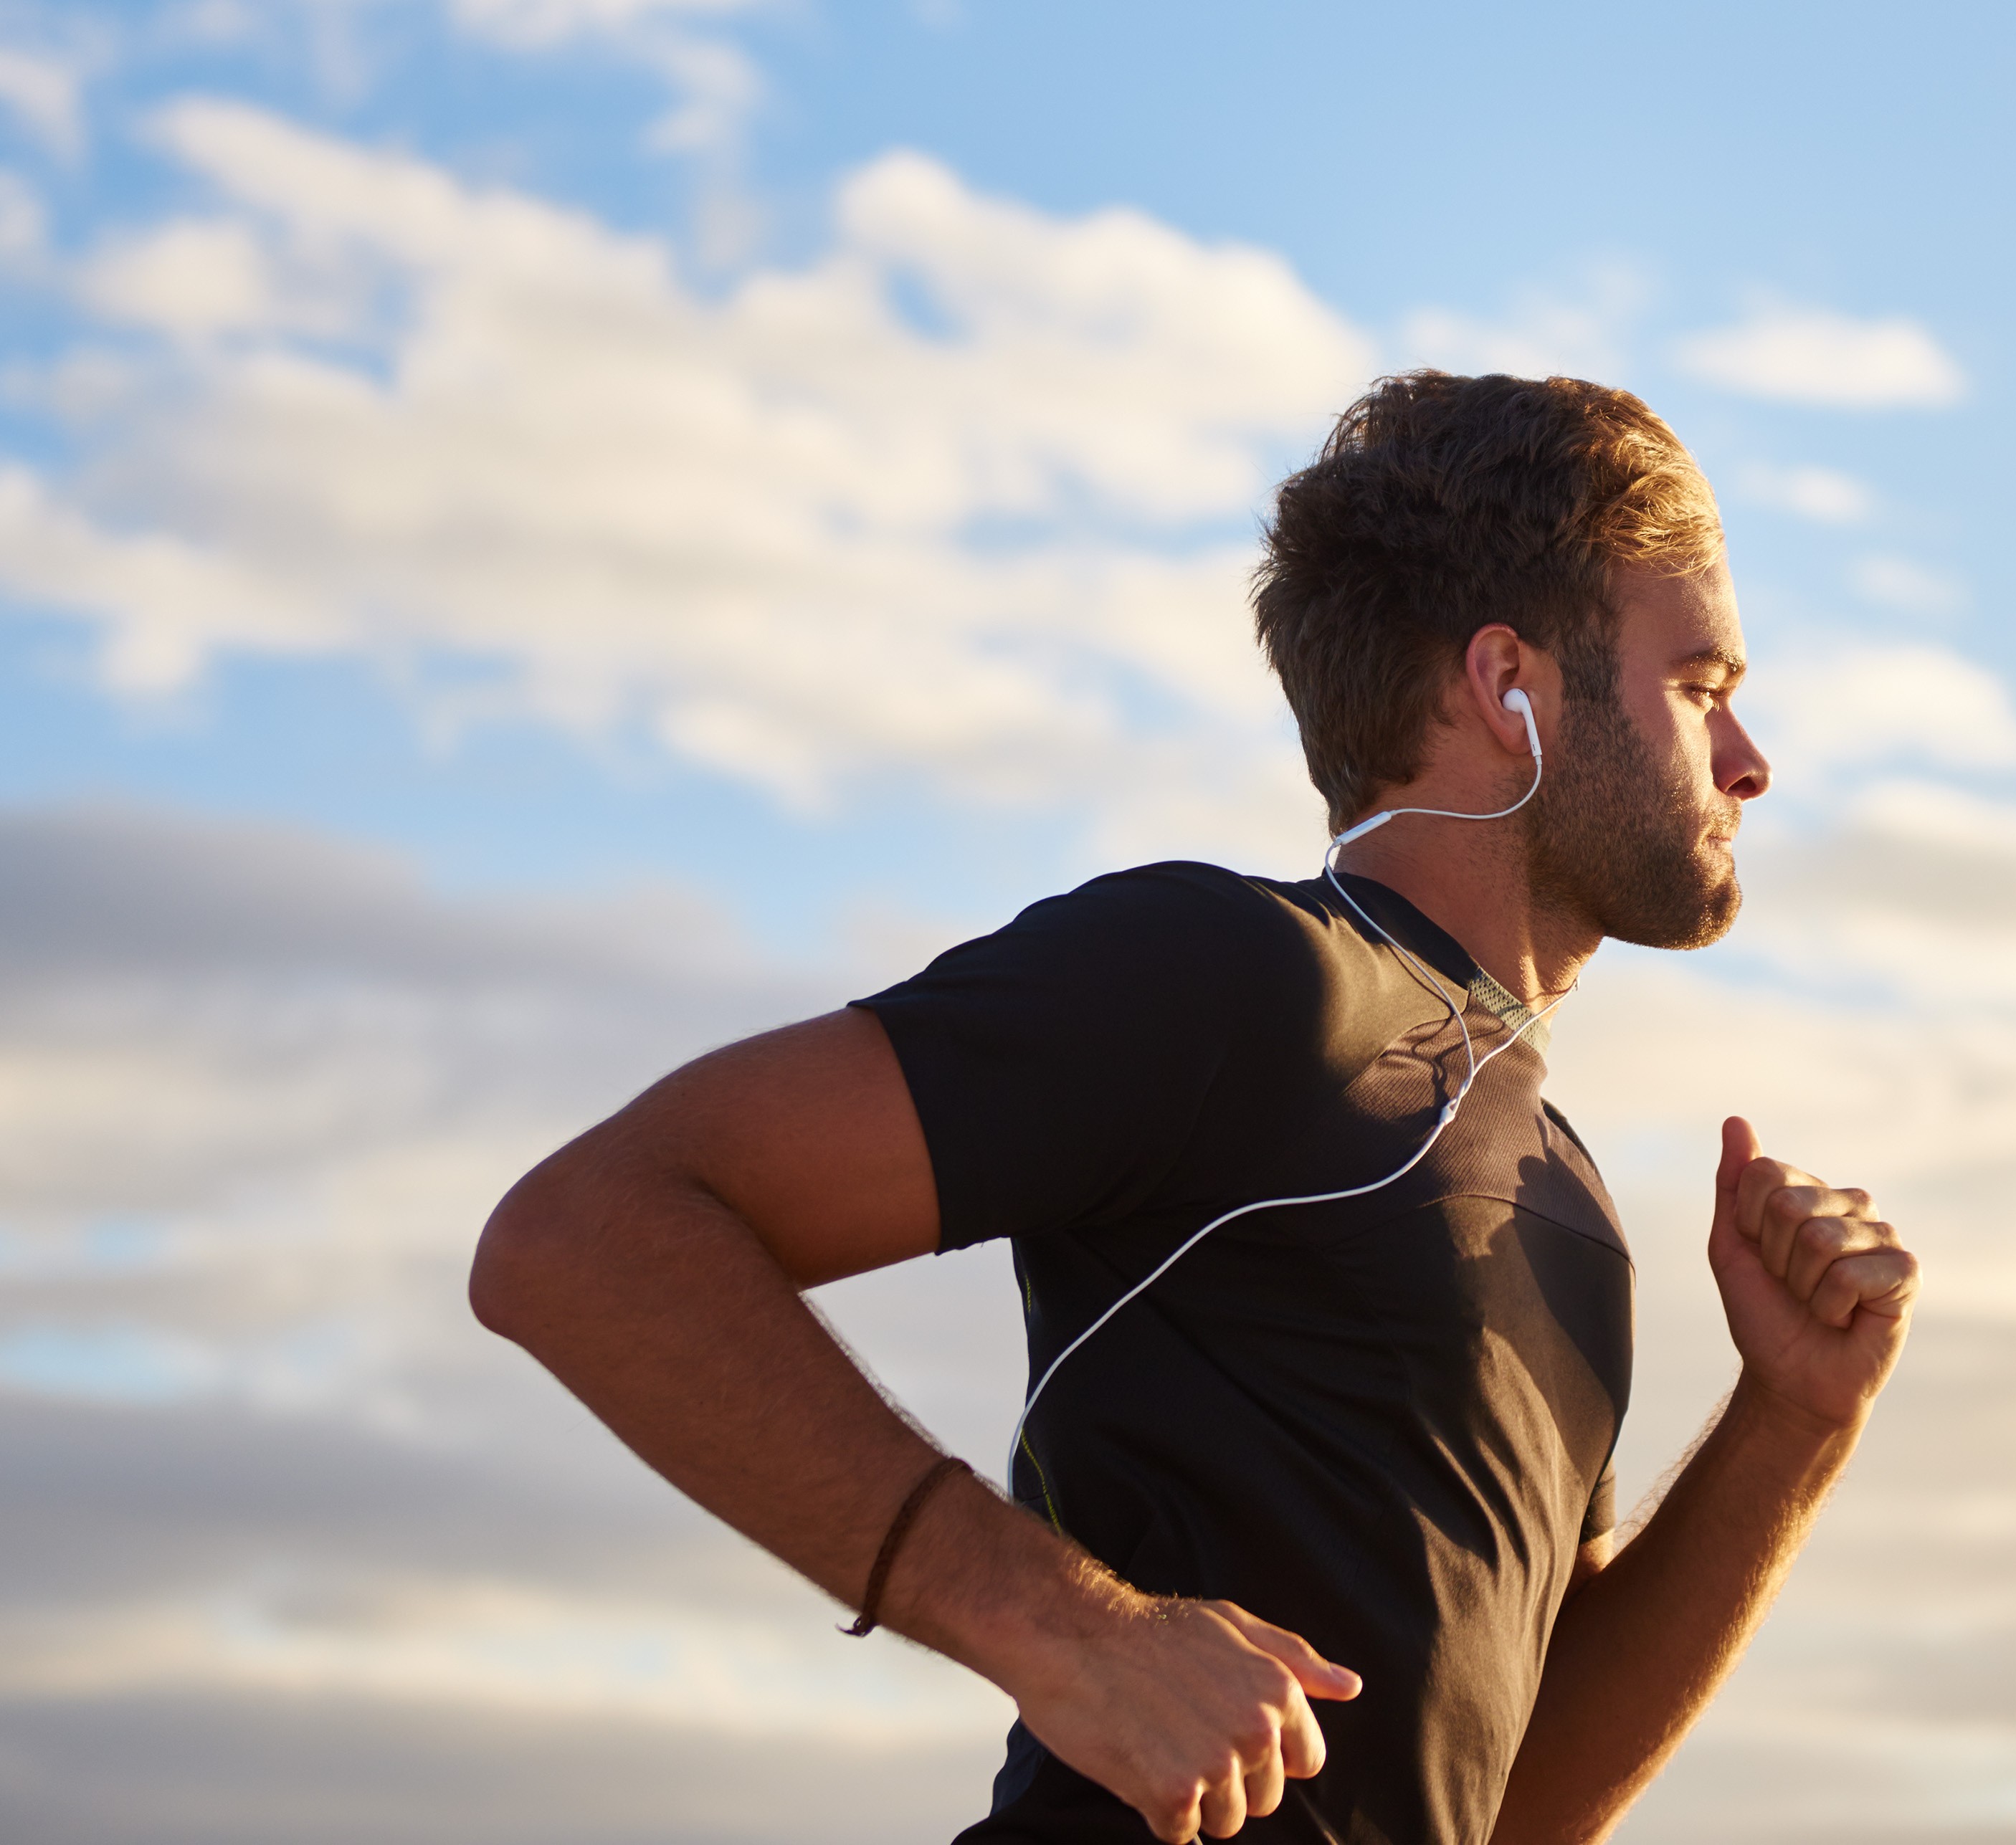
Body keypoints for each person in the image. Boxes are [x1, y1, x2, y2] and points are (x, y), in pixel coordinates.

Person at [470, 371, 1922, 1845]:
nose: (1747, 761)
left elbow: (1509, 1803)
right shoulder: (1251, 978)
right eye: (1701, 689)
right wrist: (1060, 1627)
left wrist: (1790, 1422)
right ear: (1510, 688)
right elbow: (581, 1237)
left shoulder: (1565, 1195)